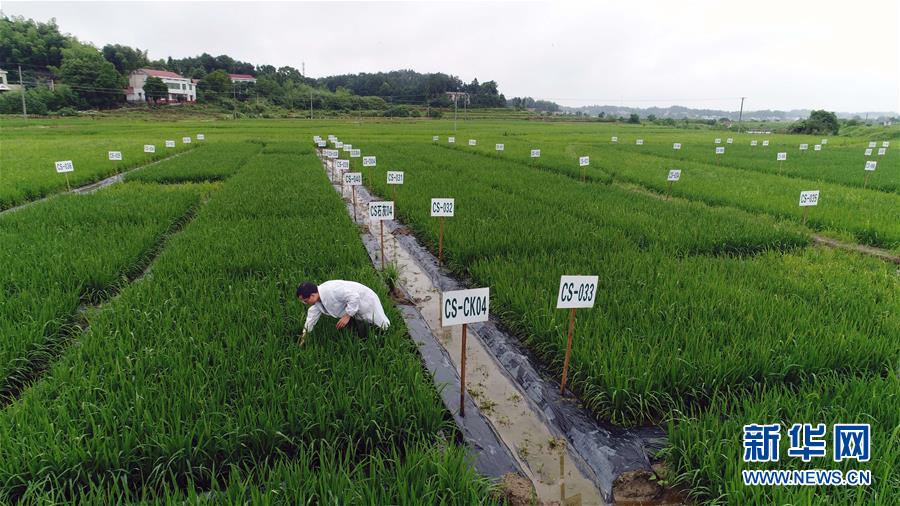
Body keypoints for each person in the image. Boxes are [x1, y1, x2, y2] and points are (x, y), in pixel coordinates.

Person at [297, 280, 390, 345]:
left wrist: (347, 315)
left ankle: (386, 338)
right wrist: (304, 335)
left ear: (312, 295)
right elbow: (311, 317)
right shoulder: (318, 300)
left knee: (381, 324)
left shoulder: (332, 290)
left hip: (365, 299)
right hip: (353, 305)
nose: (305, 303)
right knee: (361, 325)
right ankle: (366, 338)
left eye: (305, 301)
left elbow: (354, 296)